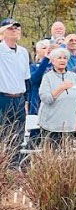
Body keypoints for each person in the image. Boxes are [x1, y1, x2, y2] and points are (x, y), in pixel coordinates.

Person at [38, 48, 76, 145]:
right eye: (59, 58)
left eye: (65, 58)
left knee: (68, 156)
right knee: (52, 157)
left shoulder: (73, 76)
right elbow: (46, 98)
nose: (62, 60)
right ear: (53, 61)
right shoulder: (47, 77)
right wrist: (61, 88)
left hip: (70, 125)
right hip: (50, 125)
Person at [1, 18, 31, 153]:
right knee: (4, 134)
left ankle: (14, 166)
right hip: (3, 97)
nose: (14, 31)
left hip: (19, 98)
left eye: (16, 28)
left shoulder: (23, 52)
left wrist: (26, 101)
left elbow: (26, 79)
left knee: (18, 134)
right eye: (10, 28)